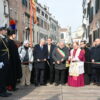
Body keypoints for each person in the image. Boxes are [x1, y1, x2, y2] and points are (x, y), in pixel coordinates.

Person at [0, 27, 12, 97]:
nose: (6, 32)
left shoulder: (4, 38)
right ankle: (1, 91)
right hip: (2, 60)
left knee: (5, 76)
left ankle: (4, 90)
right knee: (1, 77)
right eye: (5, 30)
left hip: (6, 60)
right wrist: (0, 61)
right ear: (1, 31)